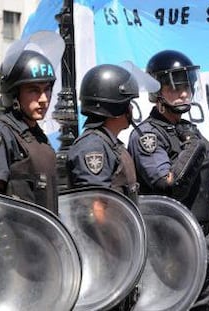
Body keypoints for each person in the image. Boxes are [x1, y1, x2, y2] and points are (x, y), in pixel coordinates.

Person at [127, 50, 209, 310]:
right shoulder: (148, 136)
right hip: (169, 246)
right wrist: (192, 146)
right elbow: (169, 185)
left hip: (200, 239)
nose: (184, 93)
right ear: (157, 92)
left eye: (187, 85)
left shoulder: (187, 129)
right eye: (174, 86)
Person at [66, 63, 159, 311]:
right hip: (106, 261)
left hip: (120, 259)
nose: (131, 108)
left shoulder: (112, 144)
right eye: (127, 102)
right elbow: (96, 209)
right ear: (115, 106)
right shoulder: (93, 147)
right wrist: (118, 255)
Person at [0, 33, 64, 215]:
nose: (44, 99)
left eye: (47, 89)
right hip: (14, 242)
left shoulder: (37, 136)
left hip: (44, 239)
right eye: (34, 91)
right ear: (14, 94)